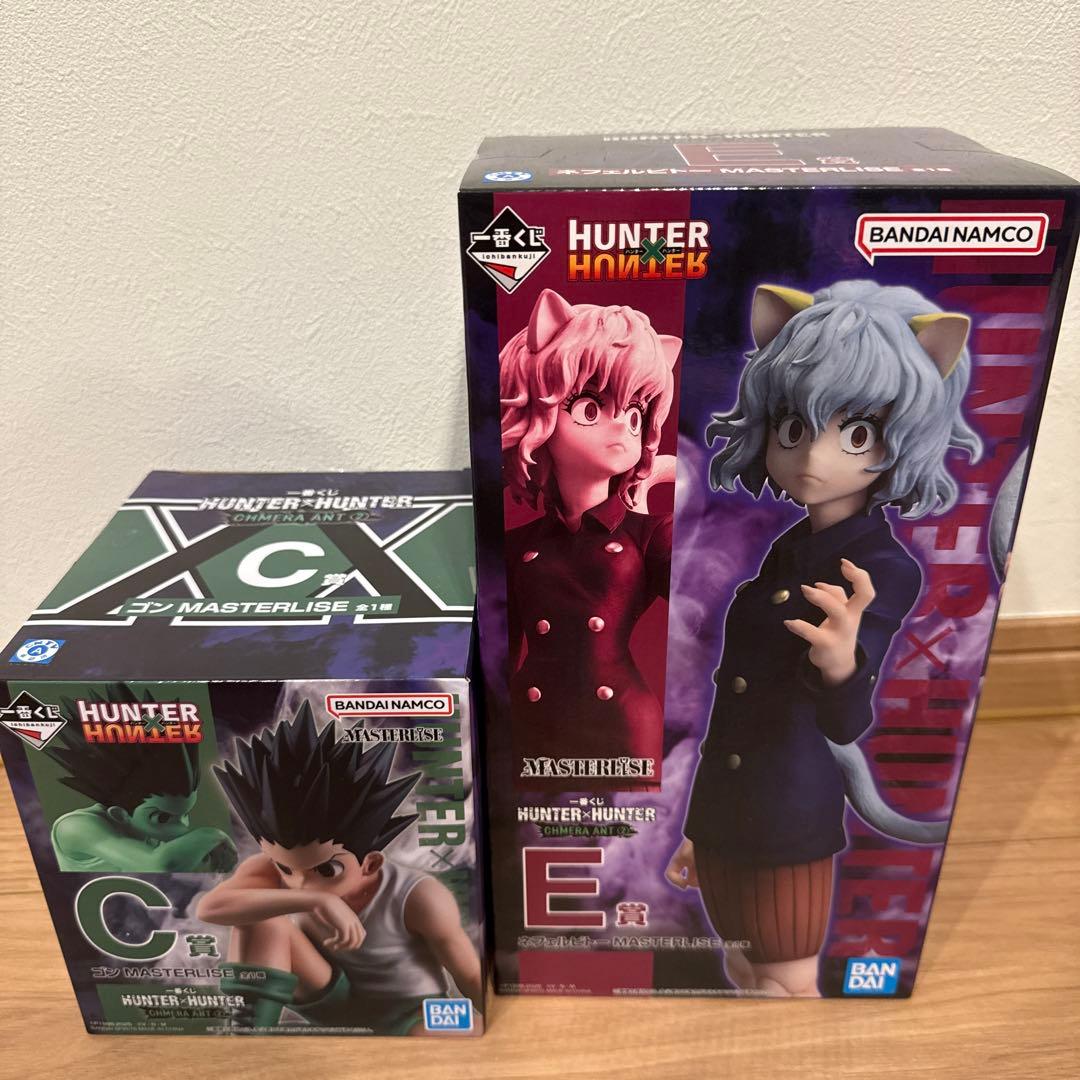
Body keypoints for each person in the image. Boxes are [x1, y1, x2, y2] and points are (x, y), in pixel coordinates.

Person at [665, 281, 980, 996]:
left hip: (788, 822)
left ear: (904, 438)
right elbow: (738, 706)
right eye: (793, 425)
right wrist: (700, 830)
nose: (813, 454)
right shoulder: (789, 550)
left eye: (857, 434)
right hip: (729, 819)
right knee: (743, 969)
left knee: (783, 983)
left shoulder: (882, 567)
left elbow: (844, 722)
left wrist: (841, 664)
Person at [199, 702, 482, 1033]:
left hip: (410, 1012)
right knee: (257, 916)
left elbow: (469, 974)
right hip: (332, 998)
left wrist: (488, 1022)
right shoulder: (273, 869)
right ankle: (248, 1036)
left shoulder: (418, 896)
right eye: (286, 868)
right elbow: (211, 908)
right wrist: (318, 900)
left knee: (455, 1035)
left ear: (370, 863)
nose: (300, 882)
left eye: (326, 871)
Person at [500, 288, 680, 786]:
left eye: (635, 413)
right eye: (590, 407)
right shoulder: (516, 546)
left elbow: (709, 621)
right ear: (534, 410)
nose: (621, 428)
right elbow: (498, 655)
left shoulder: (651, 534)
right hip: (535, 727)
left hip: (621, 733)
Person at [45, 685, 235, 873]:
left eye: (184, 815)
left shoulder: (149, 829)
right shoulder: (74, 827)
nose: (182, 827)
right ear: (119, 815)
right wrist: (212, 835)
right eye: (163, 817)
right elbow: (158, 865)